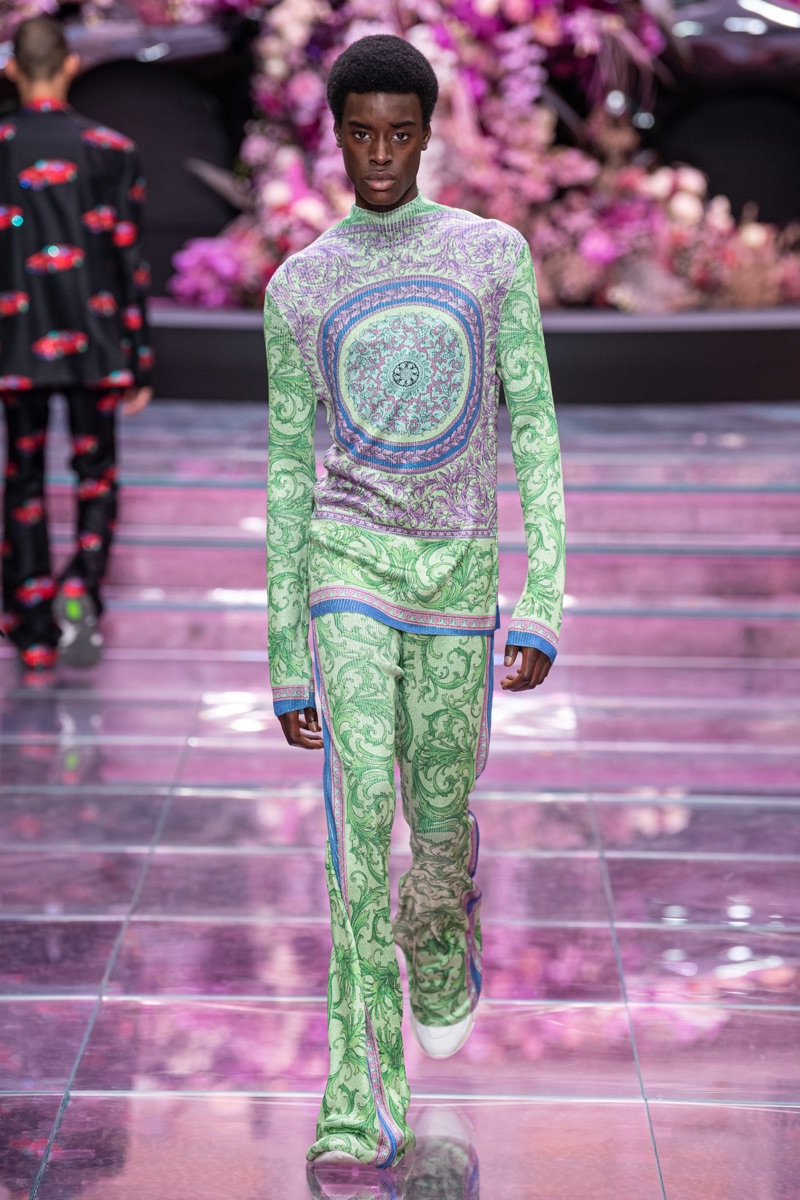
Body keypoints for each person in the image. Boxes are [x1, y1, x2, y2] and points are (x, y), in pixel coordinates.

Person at [265, 34, 565, 1172]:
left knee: (435, 818)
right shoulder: (297, 286)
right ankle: (359, 1096)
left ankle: (438, 927)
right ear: (335, 137)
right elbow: (288, 469)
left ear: (430, 133)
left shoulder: (491, 256)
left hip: (458, 574)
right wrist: (283, 653)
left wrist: (543, 596)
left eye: (400, 133)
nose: (381, 155)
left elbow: (533, 427)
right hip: (348, 564)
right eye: (361, 134)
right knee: (355, 826)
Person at [1, 16, 153, 672]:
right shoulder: (111, 148)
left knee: (23, 476)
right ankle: (81, 588)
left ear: (12, 68)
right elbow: (130, 260)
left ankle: (33, 629)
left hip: (15, 341)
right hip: (96, 340)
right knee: (97, 475)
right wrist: (140, 357)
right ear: (69, 65)